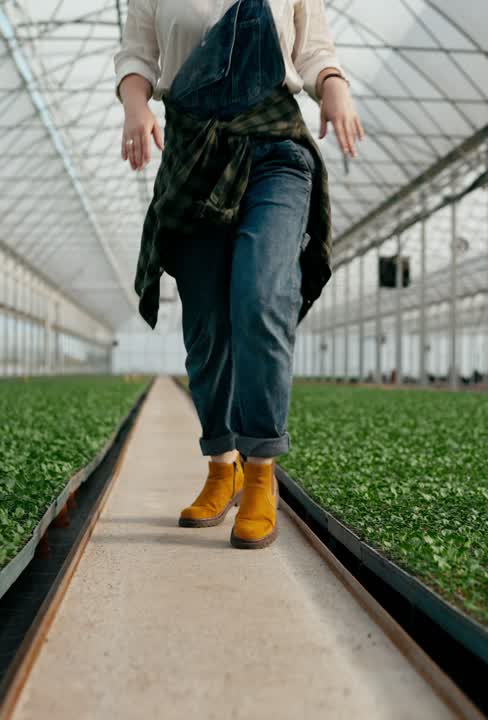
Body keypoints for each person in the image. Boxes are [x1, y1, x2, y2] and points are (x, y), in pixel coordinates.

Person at [115, 0, 363, 549]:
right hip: (194, 154)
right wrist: (136, 108)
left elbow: (314, 50)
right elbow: (137, 57)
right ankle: (221, 466)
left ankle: (260, 472)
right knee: (207, 328)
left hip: (275, 150)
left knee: (260, 295)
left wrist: (334, 88)